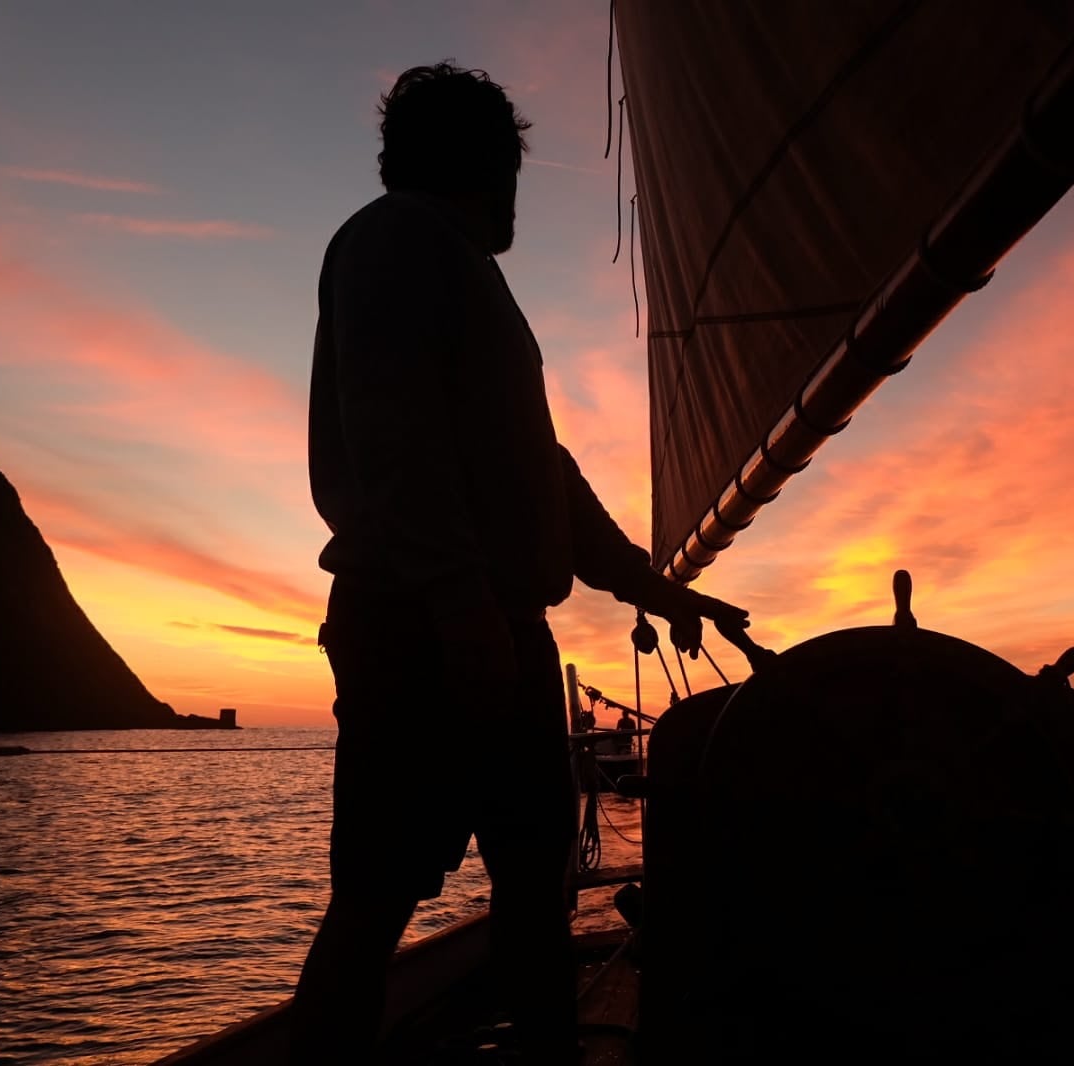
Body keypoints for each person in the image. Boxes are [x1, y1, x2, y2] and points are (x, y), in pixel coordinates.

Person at [292, 62, 749, 1065]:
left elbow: (539, 476)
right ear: (486, 165)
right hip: (428, 623)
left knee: (530, 873)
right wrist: (463, 613)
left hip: (477, 621)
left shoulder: (453, 268)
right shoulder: (401, 242)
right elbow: (394, 440)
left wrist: (658, 588)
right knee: (378, 897)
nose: (515, 198)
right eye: (511, 172)